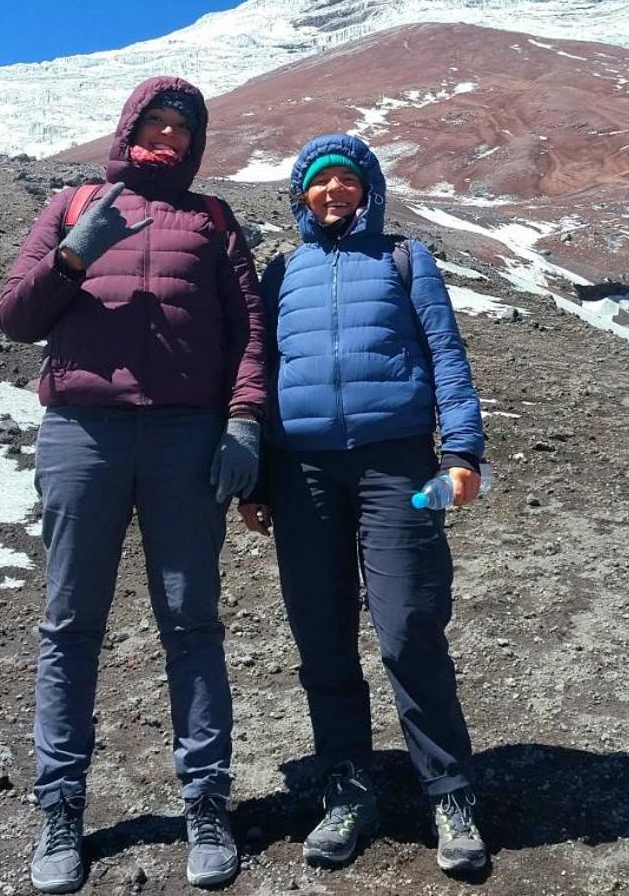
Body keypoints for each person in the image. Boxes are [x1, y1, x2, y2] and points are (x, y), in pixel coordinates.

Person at [0, 75, 265, 893]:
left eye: (187, 127)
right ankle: (61, 804)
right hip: (83, 433)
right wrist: (77, 253)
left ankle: (207, 799)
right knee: (71, 623)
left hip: (186, 437)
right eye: (159, 120)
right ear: (130, 124)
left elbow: (249, 331)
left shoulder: (213, 222)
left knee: (192, 622)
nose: (173, 135)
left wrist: (245, 421)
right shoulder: (75, 203)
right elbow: (14, 315)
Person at [240, 133, 489, 876]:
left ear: (369, 189)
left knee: (409, 623)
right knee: (321, 634)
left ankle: (449, 790)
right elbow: (256, 371)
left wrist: (463, 449)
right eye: (319, 183)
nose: (333, 192)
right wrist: (255, 478)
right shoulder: (281, 270)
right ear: (301, 196)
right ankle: (346, 788)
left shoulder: (404, 260)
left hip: (398, 462)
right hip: (301, 469)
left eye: (347, 180)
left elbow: (446, 351)